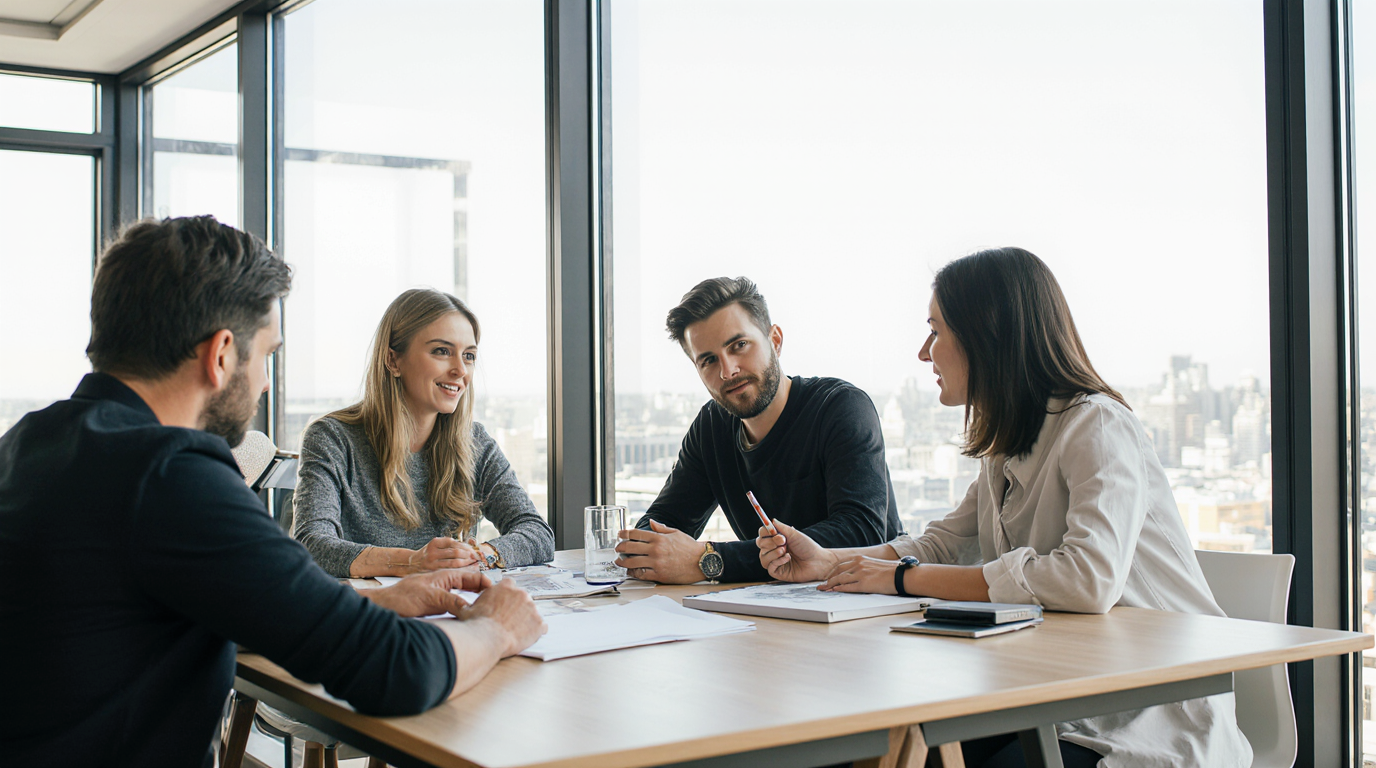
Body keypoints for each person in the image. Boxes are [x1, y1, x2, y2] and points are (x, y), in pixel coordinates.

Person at [0, 217, 545, 768]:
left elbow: (205, 608)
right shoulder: (171, 476)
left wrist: (376, 599)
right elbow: (394, 671)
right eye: (266, 356)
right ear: (221, 355)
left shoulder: (29, 445)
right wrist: (497, 628)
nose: (264, 382)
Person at [756, 248, 1252, 767]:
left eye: (935, 331)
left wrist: (903, 579)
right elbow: (944, 544)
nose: (924, 353)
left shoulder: (1097, 425)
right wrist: (828, 562)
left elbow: (1087, 579)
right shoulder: (1005, 446)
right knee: (886, 748)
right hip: (1052, 692)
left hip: (1145, 712)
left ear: (987, 337)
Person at [617, 276, 903, 584]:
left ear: (775, 341)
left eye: (739, 345)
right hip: (769, 606)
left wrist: (709, 559)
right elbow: (661, 522)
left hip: (868, 601)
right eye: (709, 360)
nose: (728, 371)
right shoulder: (712, 427)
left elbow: (861, 532)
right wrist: (649, 550)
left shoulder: (841, 408)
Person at [292, 289, 555, 578]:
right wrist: (412, 562)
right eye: (442, 351)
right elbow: (311, 545)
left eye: (469, 356)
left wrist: (480, 555)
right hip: (365, 606)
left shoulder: (474, 442)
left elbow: (537, 533)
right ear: (393, 360)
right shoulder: (332, 438)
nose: (460, 370)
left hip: (448, 603)